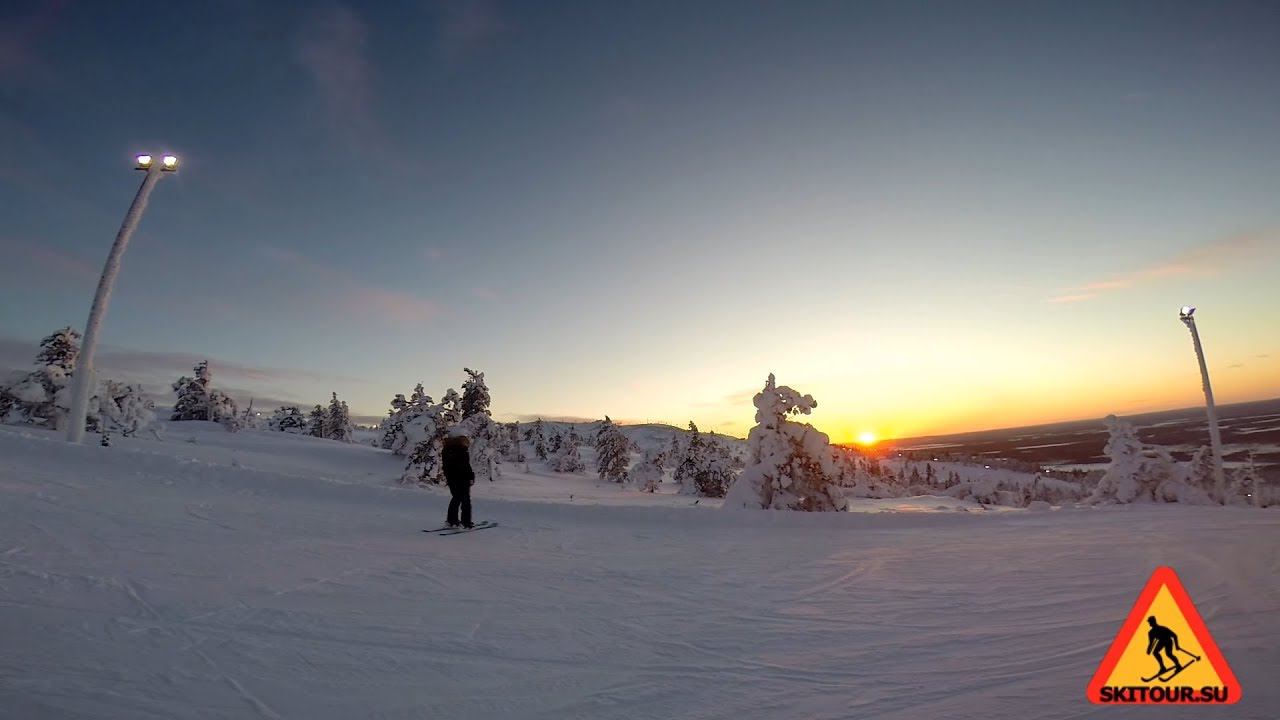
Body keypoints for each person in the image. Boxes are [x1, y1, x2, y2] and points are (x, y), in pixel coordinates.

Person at [442, 431, 475, 529]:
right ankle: (466, 522)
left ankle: (451, 520)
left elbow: (446, 466)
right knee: (465, 501)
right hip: (462, 479)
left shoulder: (446, 449)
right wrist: (470, 477)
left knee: (456, 498)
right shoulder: (462, 450)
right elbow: (465, 466)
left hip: (452, 478)